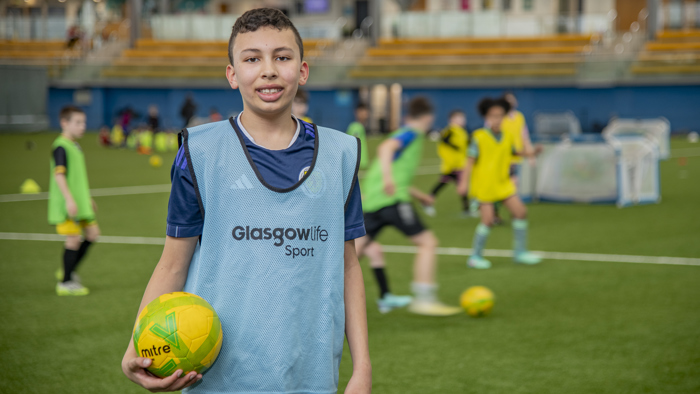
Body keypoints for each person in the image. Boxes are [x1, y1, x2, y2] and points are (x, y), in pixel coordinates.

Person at [121, 8, 371, 394]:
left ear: (302, 71)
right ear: (232, 74)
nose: (268, 70)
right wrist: (134, 346)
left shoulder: (339, 153)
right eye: (252, 58)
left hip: (311, 371)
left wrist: (363, 368)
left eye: (282, 57)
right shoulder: (200, 151)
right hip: (221, 377)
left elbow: (348, 265)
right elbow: (173, 262)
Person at [355, 96, 462, 317]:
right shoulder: (411, 133)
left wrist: (421, 195)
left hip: (373, 201)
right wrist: (387, 179)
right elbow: (385, 149)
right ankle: (424, 299)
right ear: (427, 118)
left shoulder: (406, 134)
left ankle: (316, 297)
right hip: (390, 200)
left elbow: (398, 173)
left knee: (353, 255)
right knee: (428, 242)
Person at [457, 97, 542, 269]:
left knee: (520, 212)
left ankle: (520, 253)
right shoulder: (478, 137)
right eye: (493, 116)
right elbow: (469, 162)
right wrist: (463, 183)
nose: (497, 119)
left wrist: (532, 152)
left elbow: (515, 152)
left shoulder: (508, 136)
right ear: (486, 117)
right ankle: (475, 257)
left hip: (503, 184)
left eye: (500, 116)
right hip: (485, 187)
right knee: (487, 221)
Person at [48, 106, 100, 296]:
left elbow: (77, 178)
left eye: (84, 122)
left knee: (93, 234)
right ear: (64, 123)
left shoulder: (74, 145)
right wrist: (69, 200)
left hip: (80, 202)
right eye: (77, 122)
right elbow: (59, 176)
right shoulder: (61, 145)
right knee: (73, 239)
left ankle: (67, 270)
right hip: (67, 204)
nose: (82, 126)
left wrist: (87, 199)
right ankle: (65, 282)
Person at [424, 109, 470, 217]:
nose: (462, 120)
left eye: (463, 118)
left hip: (459, 164)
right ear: (452, 120)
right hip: (452, 165)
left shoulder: (461, 131)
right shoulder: (450, 130)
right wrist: (453, 146)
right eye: (459, 118)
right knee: (457, 186)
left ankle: (467, 209)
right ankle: (427, 202)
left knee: (456, 186)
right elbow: (443, 139)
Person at [346, 102, 370, 170]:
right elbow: (353, 142)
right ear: (357, 112)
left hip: (359, 164)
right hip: (358, 164)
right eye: (363, 111)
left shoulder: (357, 126)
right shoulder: (357, 127)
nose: (366, 114)